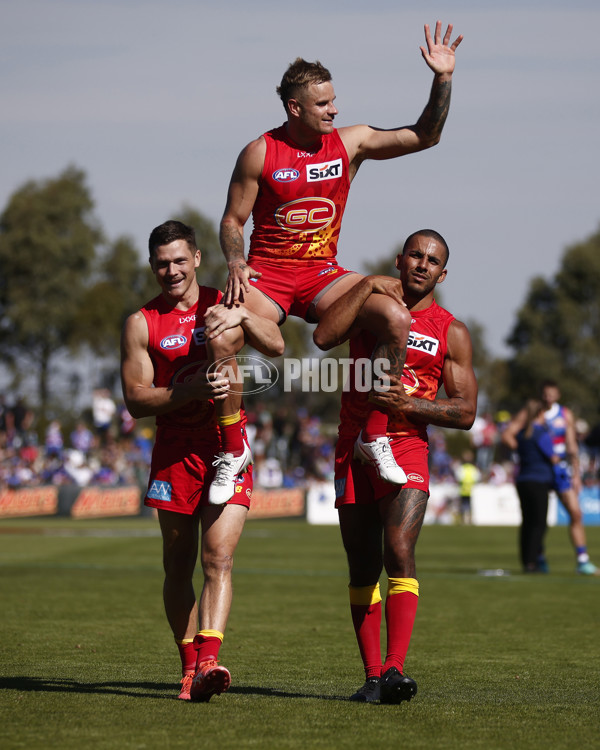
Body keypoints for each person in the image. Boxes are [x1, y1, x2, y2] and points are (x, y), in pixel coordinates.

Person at [210, 21, 463, 488]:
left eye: (333, 100)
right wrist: (235, 260)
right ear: (294, 107)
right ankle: (232, 448)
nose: (334, 109)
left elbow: (425, 136)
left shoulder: (351, 142)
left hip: (324, 274)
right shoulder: (259, 153)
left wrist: (442, 77)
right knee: (222, 334)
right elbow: (231, 221)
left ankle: (374, 434)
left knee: (394, 317)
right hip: (269, 276)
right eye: (323, 103)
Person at [120, 220, 284, 702]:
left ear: (195, 258)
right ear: (153, 267)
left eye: (178, 260)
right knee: (177, 565)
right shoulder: (141, 322)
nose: (170, 270)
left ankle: (209, 660)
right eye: (161, 263)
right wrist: (188, 389)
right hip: (174, 452)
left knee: (219, 558)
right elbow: (135, 400)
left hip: (223, 445)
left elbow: (276, 345)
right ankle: (189, 664)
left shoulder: (227, 300)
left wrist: (244, 318)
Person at [313, 229, 477, 703]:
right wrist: (364, 285)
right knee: (362, 566)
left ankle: (394, 670)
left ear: (442, 274)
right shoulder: (370, 310)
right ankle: (370, 678)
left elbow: (465, 412)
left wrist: (411, 403)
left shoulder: (452, 330)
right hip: (353, 443)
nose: (423, 264)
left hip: (407, 446)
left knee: (399, 548)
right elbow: (323, 337)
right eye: (416, 255)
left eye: (433, 260)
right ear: (399, 260)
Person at [502, 381, 598, 575]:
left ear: (558, 395)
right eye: (545, 394)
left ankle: (582, 560)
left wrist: (577, 474)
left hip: (560, 469)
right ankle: (538, 556)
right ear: (541, 395)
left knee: (575, 512)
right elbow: (508, 435)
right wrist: (526, 452)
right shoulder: (532, 412)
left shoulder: (565, 414)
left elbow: (571, 446)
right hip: (539, 469)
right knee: (538, 518)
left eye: (552, 395)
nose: (548, 398)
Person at [501, 400, 556, 573]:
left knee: (527, 522)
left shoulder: (522, 435)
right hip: (538, 481)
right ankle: (534, 562)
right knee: (539, 524)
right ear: (540, 414)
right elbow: (553, 457)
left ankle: (526, 561)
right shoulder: (541, 434)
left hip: (523, 480)